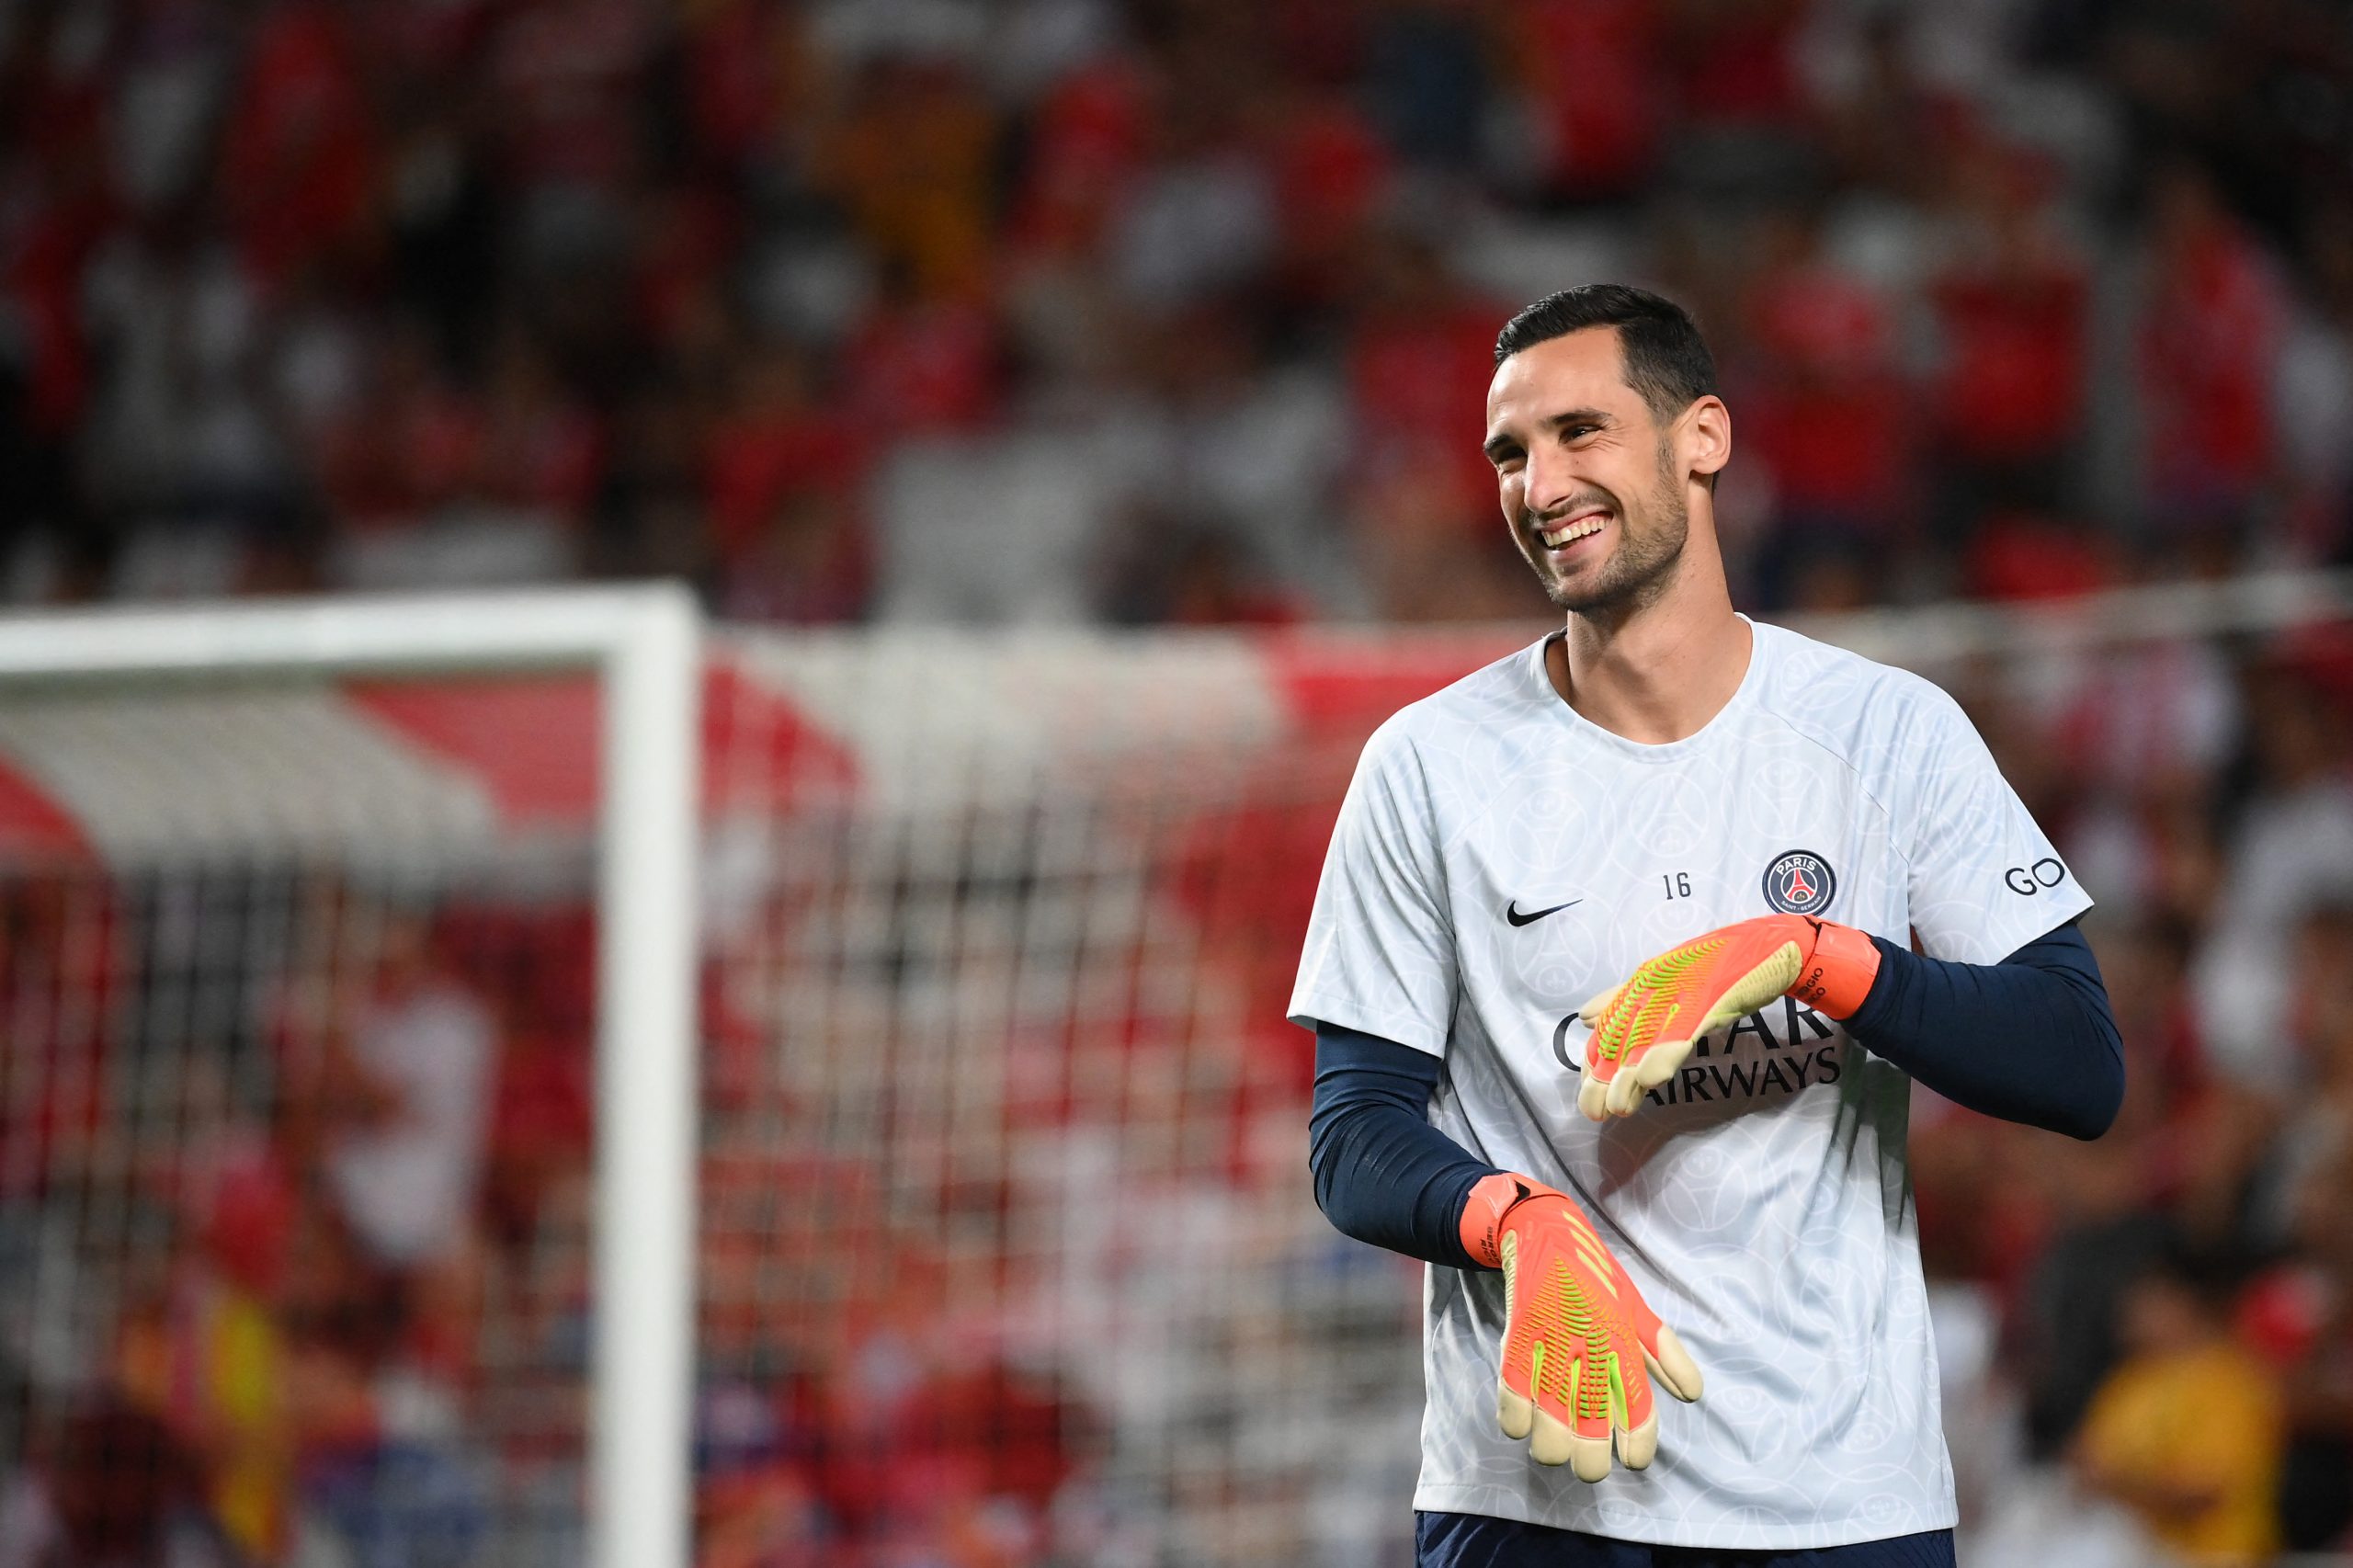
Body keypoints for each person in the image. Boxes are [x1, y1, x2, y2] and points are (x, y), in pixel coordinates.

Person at [1290, 284, 2123, 1565]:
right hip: (1542, 1496)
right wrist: (1516, 1219)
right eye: (1511, 451)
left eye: (1582, 430)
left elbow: (2076, 1060)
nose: (1539, 480)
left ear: (1705, 440)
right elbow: (1354, 1135)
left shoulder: (1885, 731)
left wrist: (1822, 958)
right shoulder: (1430, 765)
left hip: (1846, 1498)